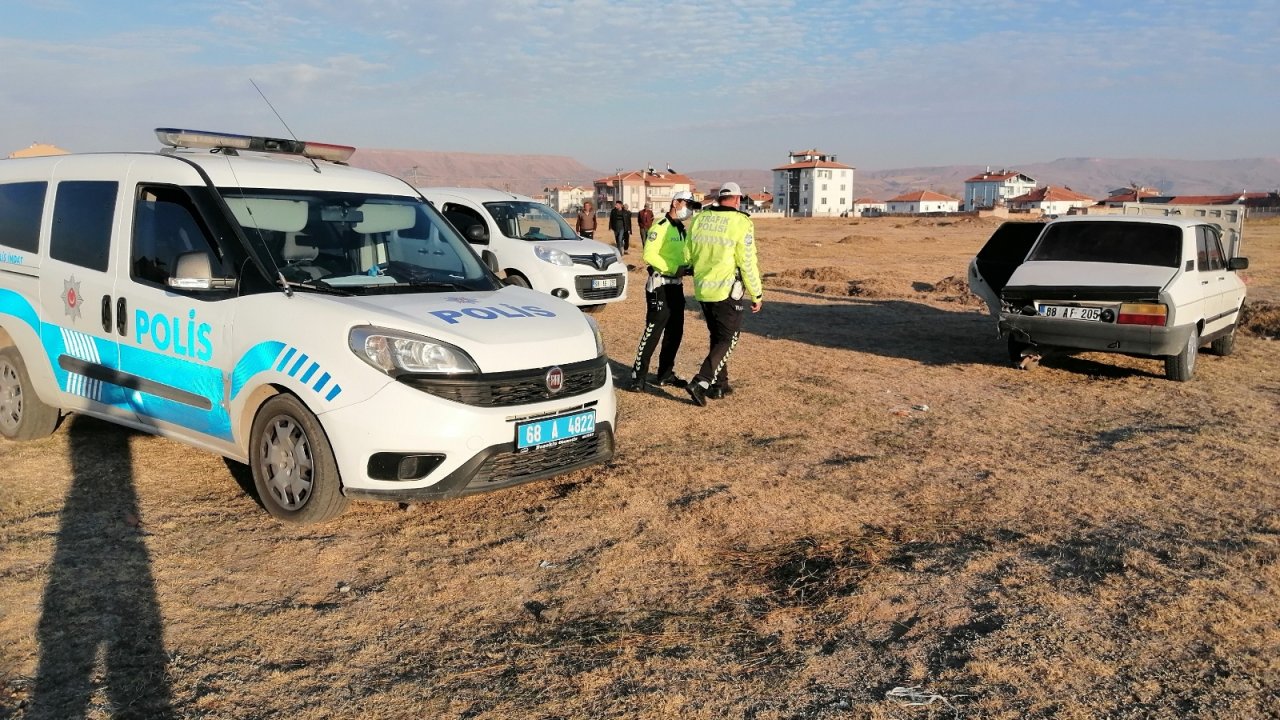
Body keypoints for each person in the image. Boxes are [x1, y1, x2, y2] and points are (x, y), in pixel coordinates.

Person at [683, 182, 763, 406]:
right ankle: (702, 381)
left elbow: (688, 253)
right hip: (727, 289)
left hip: (703, 288)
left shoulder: (700, 218)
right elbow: (747, 261)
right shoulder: (740, 222)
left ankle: (720, 385)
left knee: (717, 336)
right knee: (729, 338)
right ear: (737, 200)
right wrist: (757, 293)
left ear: (719, 198)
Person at [627, 191, 700, 392]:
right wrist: (672, 268)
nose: (690, 209)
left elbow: (684, 255)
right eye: (687, 204)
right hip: (660, 286)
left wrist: (690, 265)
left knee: (675, 333)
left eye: (692, 206)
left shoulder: (682, 230)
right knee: (653, 332)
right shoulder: (660, 227)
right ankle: (638, 376)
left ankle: (665, 374)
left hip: (676, 287)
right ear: (675, 203)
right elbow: (649, 255)